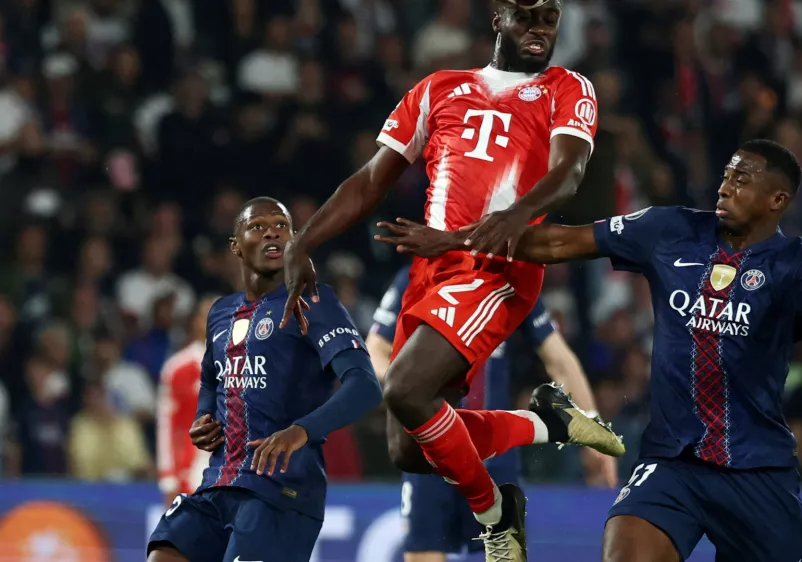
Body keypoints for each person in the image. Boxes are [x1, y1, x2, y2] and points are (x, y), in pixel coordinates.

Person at [375, 139, 802, 562]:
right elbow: (558, 243)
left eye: (743, 178)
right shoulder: (670, 230)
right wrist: (458, 240)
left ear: (777, 200)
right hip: (672, 463)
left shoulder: (797, 261)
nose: (725, 184)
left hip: (757, 473)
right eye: (726, 172)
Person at [282, 1, 623, 559]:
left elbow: (570, 172)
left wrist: (512, 219)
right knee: (410, 450)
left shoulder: (568, 86)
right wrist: (303, 242)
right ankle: (542, 422)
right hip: (432, 266)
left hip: (499, 267)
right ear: (498, 18)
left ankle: (496, 512)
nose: (539, 29)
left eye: (549, 18)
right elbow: (370, 181)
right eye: (526, 15)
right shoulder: (438, 87)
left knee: (404, 388)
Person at [146, 198, 383, 562]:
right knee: (163, 554)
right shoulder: (221, 312)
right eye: (257, 225)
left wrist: (302, 430)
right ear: (235, 246)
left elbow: (365, 385)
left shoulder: (313, 302)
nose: (272, 230)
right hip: (219, 484)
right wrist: (203, 416)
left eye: (281, 225)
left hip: (281, 491)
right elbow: (211, 379)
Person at [367, 265, 618, 562]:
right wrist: (410, 388)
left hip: (492, 453)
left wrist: (591, 420)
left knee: (502, 554)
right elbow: (375, 350)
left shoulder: (510, 276)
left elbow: (558, 358)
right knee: (423, 552)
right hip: (428, 445)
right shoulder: (417, 274)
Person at [156, 295, 218, 509]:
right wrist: (168, 478)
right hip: (192, 475)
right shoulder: (178, 368)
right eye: (208, 316)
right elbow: (166, 425)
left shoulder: (248, 366)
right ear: (196, 322)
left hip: (233, 476)